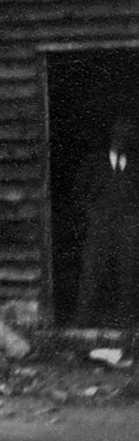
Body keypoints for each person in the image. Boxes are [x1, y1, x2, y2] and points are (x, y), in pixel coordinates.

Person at [73, 115, 139, 328]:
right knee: (92, 271)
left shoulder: (135, 166)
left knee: (127, 273)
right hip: (99, 226)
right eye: (120, 135)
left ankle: (125, 323)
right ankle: (83, 322)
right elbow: (78, 194)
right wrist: (91, 214)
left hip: (127, 227)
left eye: (128, 136)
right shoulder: (94, 162)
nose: (124, 139)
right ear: (112, 136)